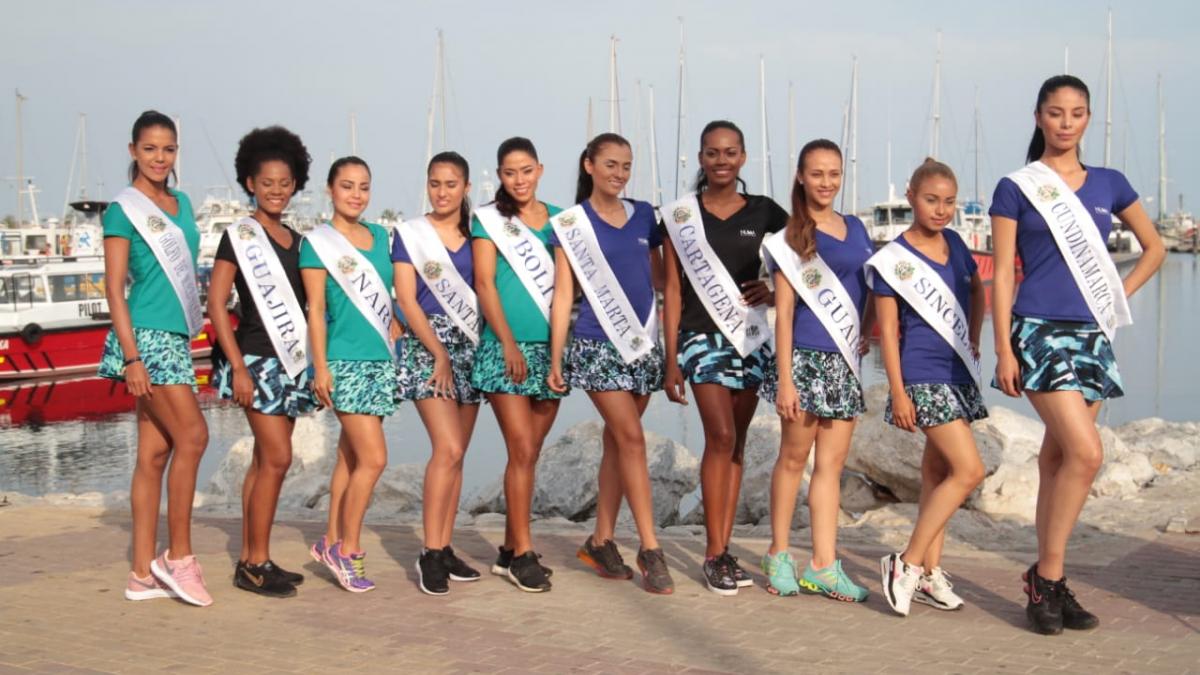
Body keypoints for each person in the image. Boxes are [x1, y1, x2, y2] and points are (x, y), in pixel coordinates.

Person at [991, 75, 1165, 635]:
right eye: (1056, 113)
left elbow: (1155, 247)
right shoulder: (1016, 187)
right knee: (1087, 455)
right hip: (1038, 330)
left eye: (1077, 114)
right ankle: (1047, 577)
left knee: (1057, 459)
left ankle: (1050, 580)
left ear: (1088, 119)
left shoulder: (1110, 183)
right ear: (1039, 117)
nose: (1067, 124)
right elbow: (999, 278)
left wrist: (1118, 296)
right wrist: (1003, 349)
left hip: (1093, 333)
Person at [660, 120, 785, 595]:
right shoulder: (680, 216)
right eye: (712, 153)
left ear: (744, 158)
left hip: (749, 340)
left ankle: (725, 548)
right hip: (698, 338)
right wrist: (671, 359)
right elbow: (671, 288)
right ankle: (714, 554)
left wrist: (773, 291)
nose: (721, 161)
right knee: (721, 435)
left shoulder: (766, 212)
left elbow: (805, 261)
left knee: (736, 445)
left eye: (730, 153)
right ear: (700, 158)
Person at [546, 133, 674, 594]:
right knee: (633, 439)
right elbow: (564, 295)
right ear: (588, 166)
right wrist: (556, 357)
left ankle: (600, 540)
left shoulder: (644, 216)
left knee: (618, 444)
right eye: (610, 165)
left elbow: (659, 276)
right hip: (597, 345)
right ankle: (650, 547)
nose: (618, 174)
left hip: (641, 344)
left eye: (626, 166)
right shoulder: (570, 224)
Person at [99, 110, 211, 606]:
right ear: (133, 152)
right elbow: (114, 287)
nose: (159, 158)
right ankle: (178, 558)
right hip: (146, 339)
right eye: (149, 149)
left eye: (167, 149)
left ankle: (142, 573)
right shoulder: (123, 209)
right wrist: (131, 358)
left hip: (177, 338)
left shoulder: (182, 204)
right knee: (194, 436)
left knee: (155, 454)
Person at [868, 158, 988, 617]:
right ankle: (906, 562)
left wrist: (974, 336)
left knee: (939, 476)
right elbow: (887, 334)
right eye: (932, 200)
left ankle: (931, 575)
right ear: (912, 198)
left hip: (959, 373)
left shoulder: (957, 244)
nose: (942, 210)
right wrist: (898, 393)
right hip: (921, 374)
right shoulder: (892, 260)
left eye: (950, 202)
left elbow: (977, 291)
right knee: (969, 471)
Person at [757, 139, 874, 602]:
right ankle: (778, 553)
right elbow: (783, 313)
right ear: (801, 176)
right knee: (792, 459)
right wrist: (785, 379)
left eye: (834, 173)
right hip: (804, 359)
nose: (826, 182)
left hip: (845, 360)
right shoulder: (790, 236)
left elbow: (866, 286)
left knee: (832, 466)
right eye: (817, 173)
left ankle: (824, 564)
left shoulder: (858, 228)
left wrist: (864, 330)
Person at [207, 125, 315, 598]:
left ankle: (256, 559)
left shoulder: (296, 240)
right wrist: (239, 369)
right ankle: (253, 562)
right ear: (250, 182)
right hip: (253, 360)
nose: (276, 190)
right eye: (267, 182)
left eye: (284, 183)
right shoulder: (239, 237)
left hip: (290, 364)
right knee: (278, 457)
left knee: (261, 462)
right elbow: (215, 304)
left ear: (296, 185)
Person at [301, 156, 400, 593]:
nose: (356, 194)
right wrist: (320, 367)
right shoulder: (317, 243)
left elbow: (390, 294)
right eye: (347, 186)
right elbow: (317, 311)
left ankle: (329, 540)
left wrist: (396, 319)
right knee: (375, 459)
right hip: (343, 363)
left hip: (380, 360)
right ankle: (349, 551)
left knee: (351, 457)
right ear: (330, 190)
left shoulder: (380, 237)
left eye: (363, 186)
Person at [471, 137, 563, 592]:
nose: (519, 180)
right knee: (522, 448)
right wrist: (507, 342)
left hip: (551, 351)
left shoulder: (562, 219)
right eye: (510, 172)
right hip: (504, 349)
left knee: (528, 453)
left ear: (540, 170)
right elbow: (485, 285)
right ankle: (523, 554)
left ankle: (510, 547)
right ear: (499, 175)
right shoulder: (489, 221)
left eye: (526, 170)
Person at [393, 151, 484, 596]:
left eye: (451, 184)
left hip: (472, 345)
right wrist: (438, 353)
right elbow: (407, 299)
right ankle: (429, 552)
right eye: (434, 183)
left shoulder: (479, 232)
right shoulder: (410, 234)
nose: (442, 191)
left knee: (459, 453)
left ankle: (445, 546)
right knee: (445, 447)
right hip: (427, 345)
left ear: (466, 187)